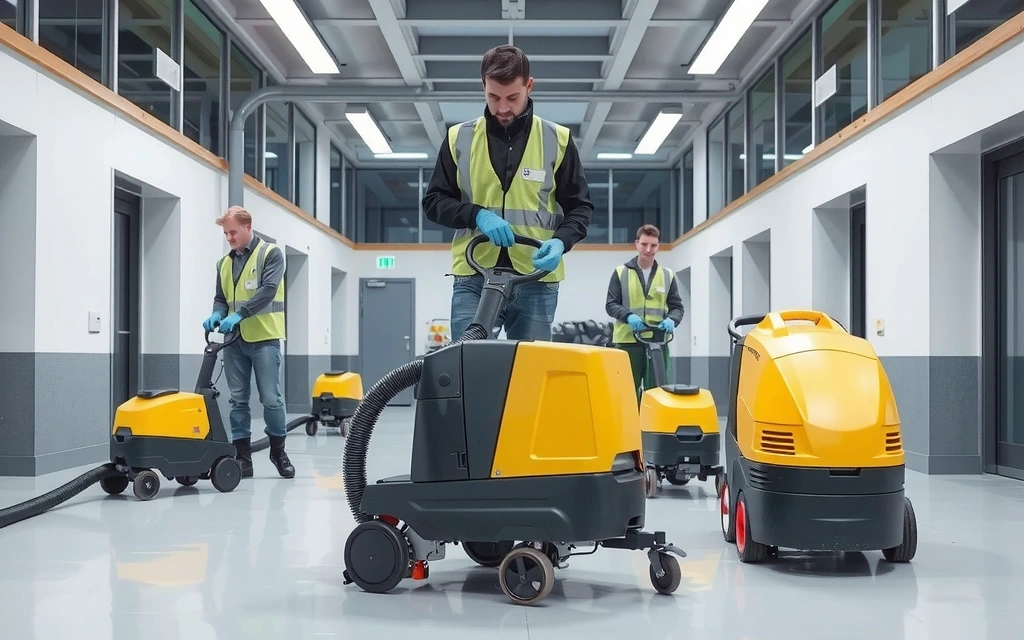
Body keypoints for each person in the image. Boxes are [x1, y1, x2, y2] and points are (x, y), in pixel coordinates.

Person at [422, 44, 593, 341]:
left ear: (529, 86)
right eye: (493, 97)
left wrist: (560, 243)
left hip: (536, 279)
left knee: (529, 375)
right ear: (483, 87)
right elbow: (434, 201)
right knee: (468, 369)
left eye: (512, 97)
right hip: (474, 276)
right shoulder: (458, 138)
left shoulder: (558, 139)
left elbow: (580, 207)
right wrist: (477, 215)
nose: (502, 108)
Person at [202, 206, 294, 479]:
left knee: (270, 399)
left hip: (264, 338)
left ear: (248, 226)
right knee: (237, 400)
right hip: (233, 342)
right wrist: (218, 313)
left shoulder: (271, 254)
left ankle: (278, 452)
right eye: (226, 233)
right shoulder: (224, 263)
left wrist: (240, 314)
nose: (229, 238)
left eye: (232, 232)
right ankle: (243, 459)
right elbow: (221, 297)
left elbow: (267, 290)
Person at [605, 224, 685, 406]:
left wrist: (672, 319)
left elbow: (677, 307)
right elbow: (611, 304)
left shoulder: (667, 275)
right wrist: (628, 317)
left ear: (658, 246)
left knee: (656, 390)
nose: (648, 250)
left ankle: (651, 430)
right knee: (626, 389)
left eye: (654, 245)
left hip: (658, 342)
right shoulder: (621, 273)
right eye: (644, 244)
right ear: (636, 244)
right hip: (627, 342)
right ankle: (627, 430)